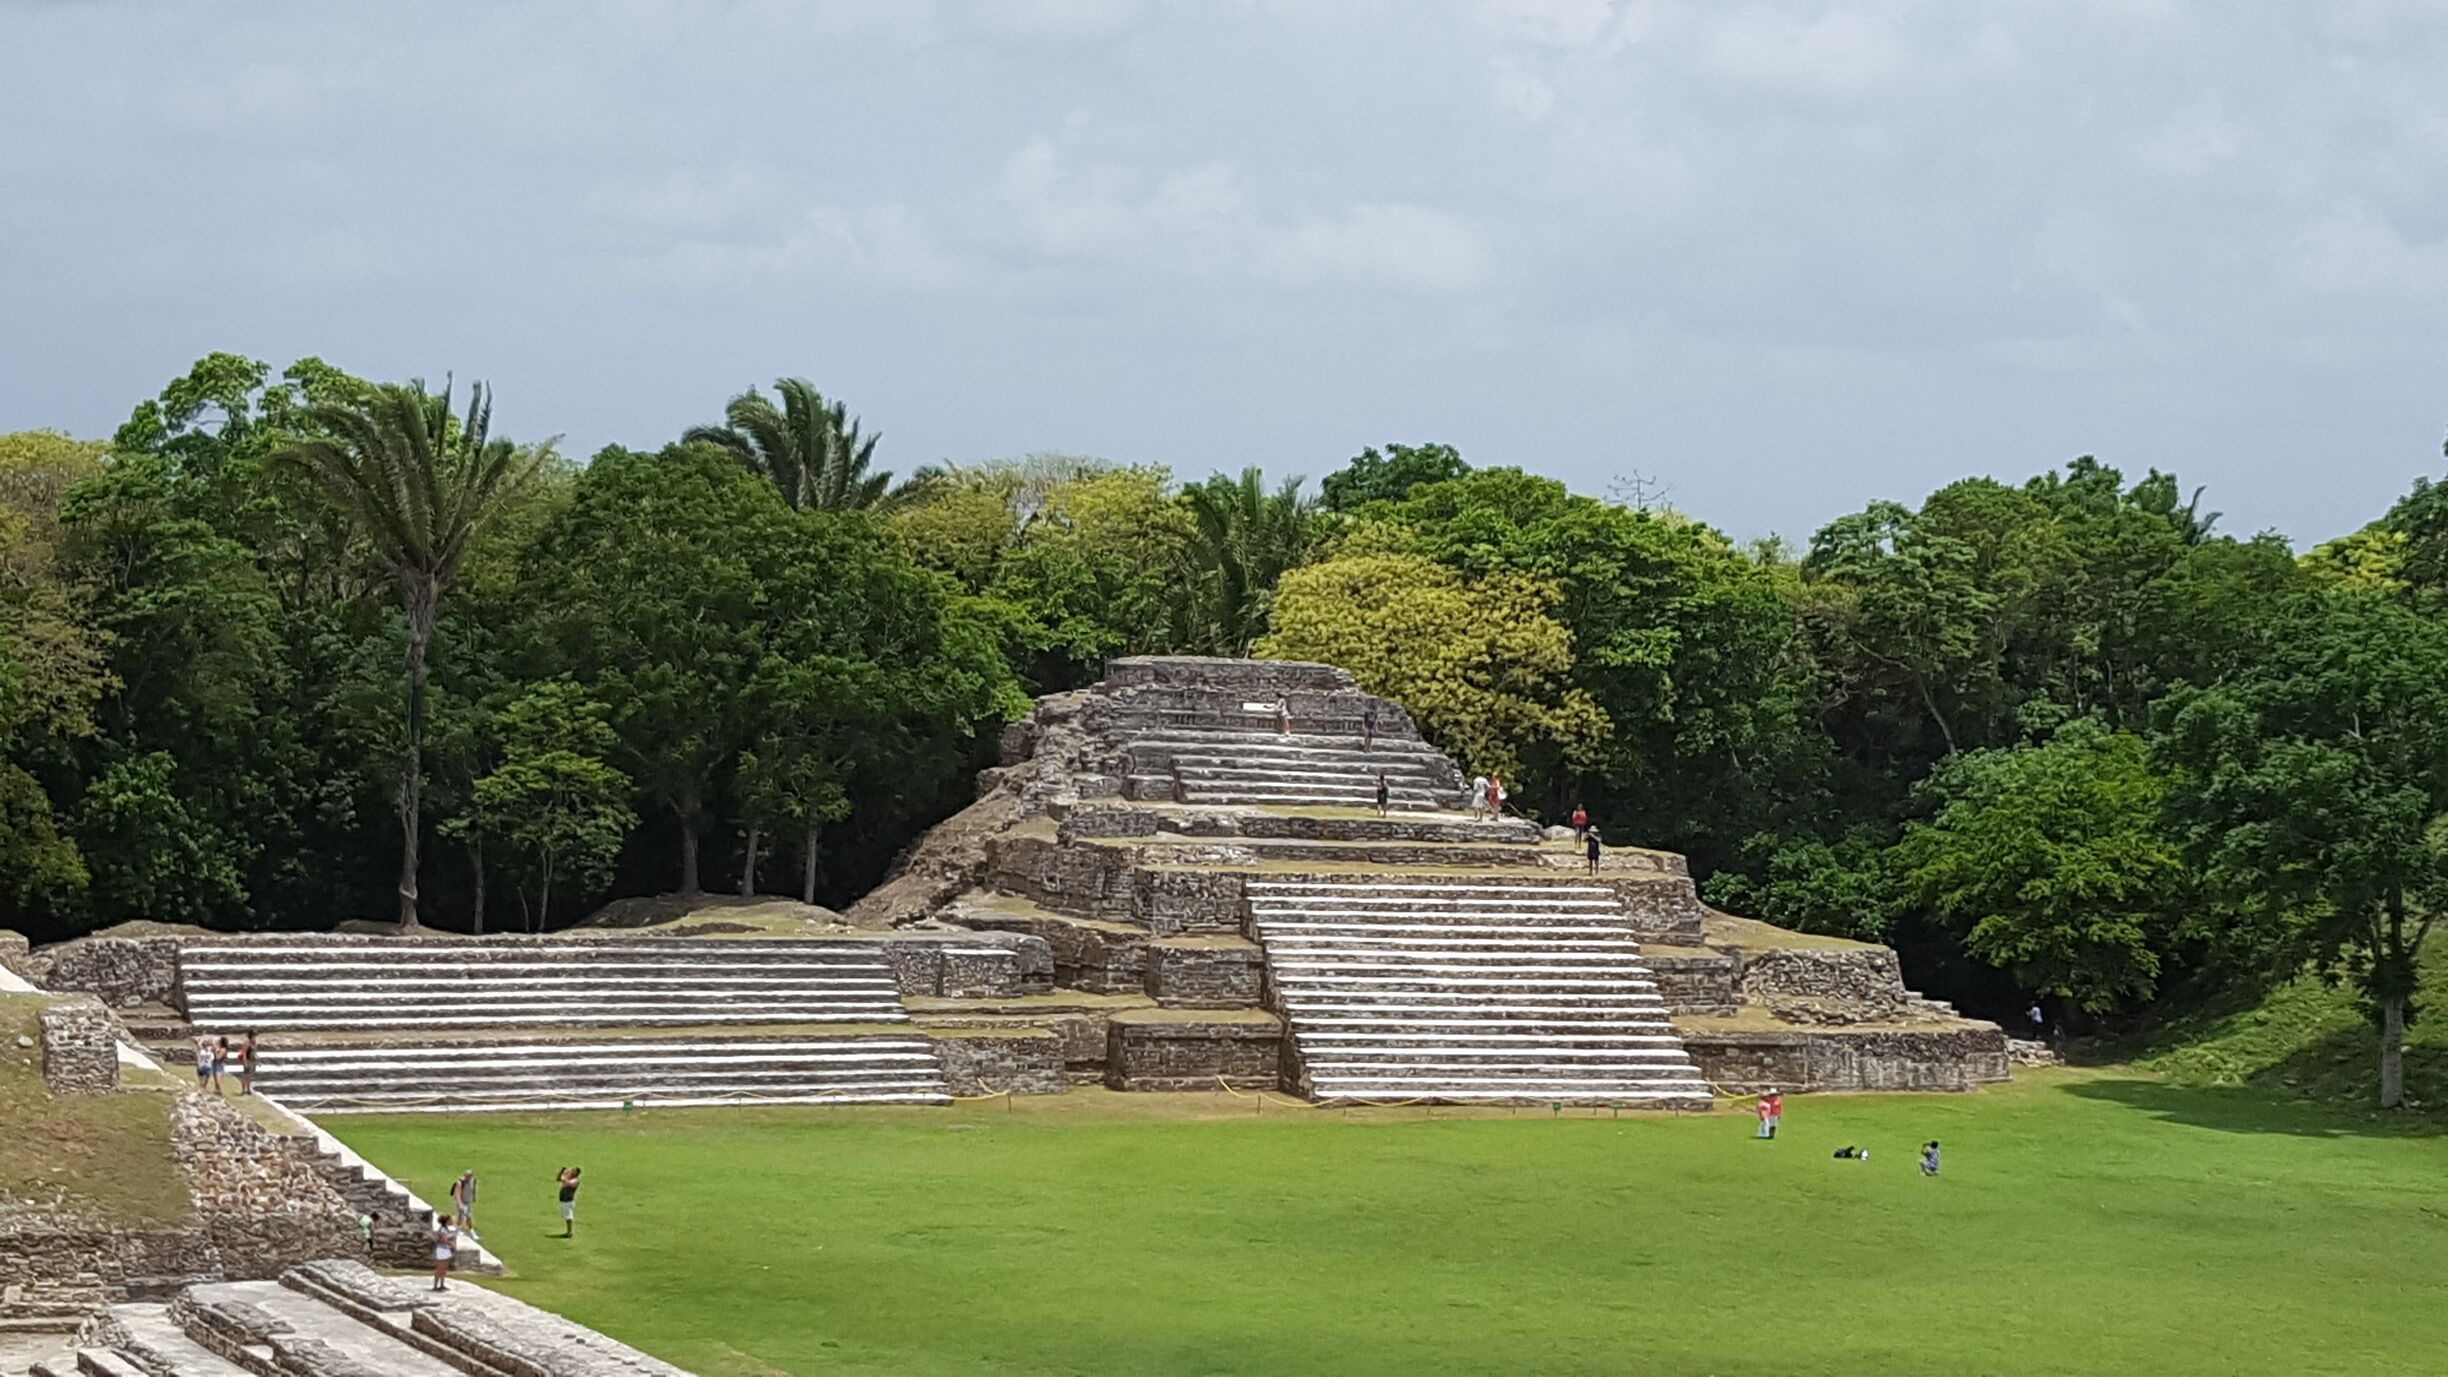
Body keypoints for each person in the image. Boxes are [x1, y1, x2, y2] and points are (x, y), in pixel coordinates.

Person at [429, 1211, 456, 1291]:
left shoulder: (445, 1229)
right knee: (440, 1268)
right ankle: (435, 1286)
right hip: (442, 1250)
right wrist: (452, 1245)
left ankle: (442, 1285)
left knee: (444, 1268)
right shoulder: (443, 1230)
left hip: (445, 1250)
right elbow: (444, 1240)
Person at [557, 1166, 582, 1238]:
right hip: (563, 1200)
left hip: (568, 1201)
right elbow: (558, 1179)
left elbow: (568, 1183)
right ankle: (568, 1231)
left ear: (577, 1173)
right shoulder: (569, 1177)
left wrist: (565, 1176)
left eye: (573, 1170)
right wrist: (561, 1172)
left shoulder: (575, 1180)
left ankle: (569, 1232)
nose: (571, 1171)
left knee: (569, 1217)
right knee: (565, 1216)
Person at [452, 1170, 478, 1236]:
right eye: (467, 1176)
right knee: (461, 1216)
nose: (468, 1178)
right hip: (461, 1201)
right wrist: (460, 1204)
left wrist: (474, 1196)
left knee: (469, 1216)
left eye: (470, 1176)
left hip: (468, 1201)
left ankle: (471, 1230)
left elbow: (473, 1188)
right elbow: (457, 1195)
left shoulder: (473, 1180)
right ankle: (457, 1230)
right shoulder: (460, 1182)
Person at [237, 1030, 258, 1096]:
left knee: (250, 1076)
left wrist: (257, 1059)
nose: (254, 1037)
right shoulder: (247, 1042)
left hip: (253, 1060)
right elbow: (244, 1052)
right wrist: (245, 1062)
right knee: (245, 1075)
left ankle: (248, 1089)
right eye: (253, 1035)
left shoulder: (254, 1042)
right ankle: (243, 1090)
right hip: (248, 1060)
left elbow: (255, 1052)